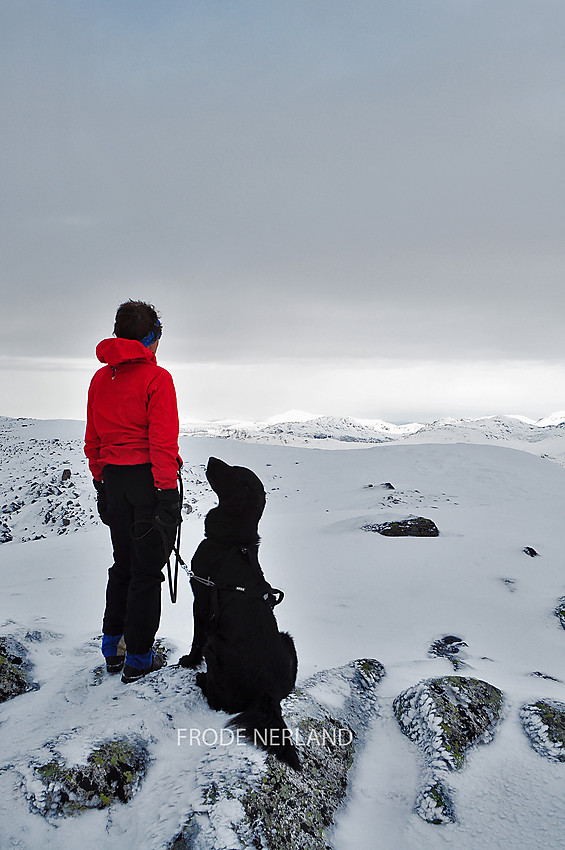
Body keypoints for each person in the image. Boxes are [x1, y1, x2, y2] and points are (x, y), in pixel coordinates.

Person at [84, 300, 182, 683]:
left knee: (122, 565)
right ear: (151, 337)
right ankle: (139, 659)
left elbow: (93, 438)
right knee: (146, 572)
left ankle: (113, 647)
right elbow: (161, 442)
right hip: (147, 483)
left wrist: (100, 481)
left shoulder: (99, 379)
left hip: (114, 481)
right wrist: (167, 493)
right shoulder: (157, 380)